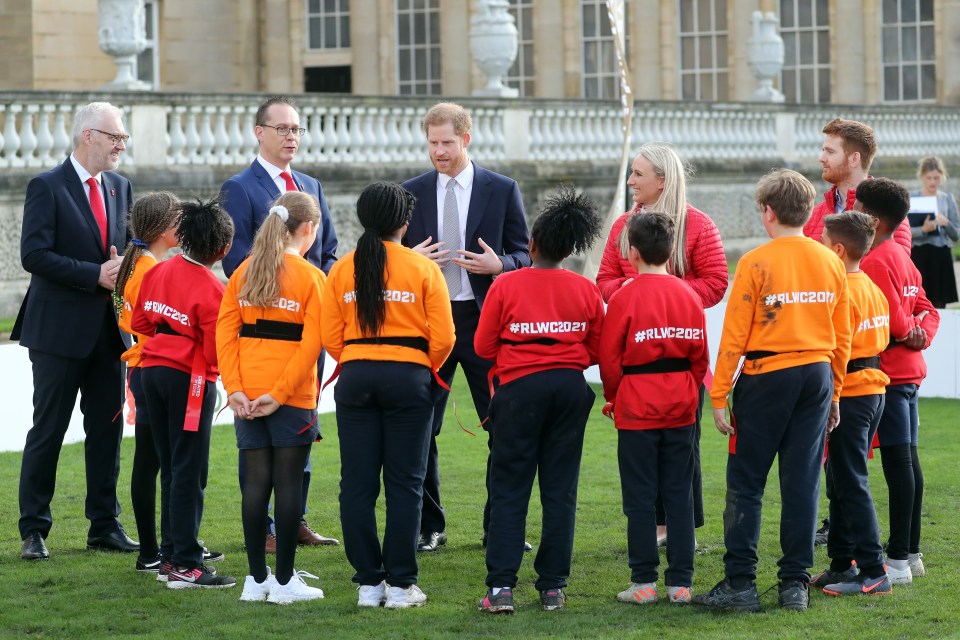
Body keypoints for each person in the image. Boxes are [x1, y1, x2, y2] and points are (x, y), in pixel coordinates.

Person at [694, 169, 851, 613]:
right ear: (806, 212)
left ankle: (740, 583)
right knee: (803, 482)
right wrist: (835, 393)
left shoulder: (755, 262)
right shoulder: (830, 261)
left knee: (746, 483)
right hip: (817, 375)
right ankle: (794, 585)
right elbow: (843, 337)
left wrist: (720, 395)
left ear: (767, 211)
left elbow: (734, 337)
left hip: (767, 376)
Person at [401, 102, 531, 552]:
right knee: (420, 428)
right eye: (433, 143)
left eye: (447, 143)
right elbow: (390, 256)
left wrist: (501, 265)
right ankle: (428, 527)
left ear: (466, 139)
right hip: (427, 320)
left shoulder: (501, 188)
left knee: (502, 422)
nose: (439, 151)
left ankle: (499, 524)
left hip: (484, 320)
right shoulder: (410, 191)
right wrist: (411, 259)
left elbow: (524, 254)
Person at [321, 182, 455, 608]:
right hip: (409, 378)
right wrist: (419, 366)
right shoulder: (422, 268)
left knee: (356, 485)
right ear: (405, 222)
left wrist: (361, 358)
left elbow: (330, 337)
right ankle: (400, 585)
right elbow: (445, 337)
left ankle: (368, 584)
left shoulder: (343, 268)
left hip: (356, 377)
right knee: (406, 484)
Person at [14, 101, 138, 560]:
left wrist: (126, 265)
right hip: (58, 333)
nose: (121, 144)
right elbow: (34, 255)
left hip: (109, 334)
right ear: (89, 136)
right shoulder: (46, 186)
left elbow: (127, 250)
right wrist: (95, 274)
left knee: (106, 433)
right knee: (48, 430)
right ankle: (34, 530)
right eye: (114, 137)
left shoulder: (121, 187)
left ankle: (104, 526)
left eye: (122, 137)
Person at [475, 186, 604, 614]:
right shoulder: (586, 290)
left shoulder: (507, 284)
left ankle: (501, 589)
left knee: (510, 488)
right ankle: (552, 587)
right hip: (568, 390)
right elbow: (599, 350)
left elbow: (482, 346)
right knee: (560, 490)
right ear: (569, 249)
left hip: (519, 392)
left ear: (530, 245)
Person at [220, 95, 339, 550]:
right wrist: (285, 291)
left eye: (297, 129)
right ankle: (266, 528)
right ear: (260, 132)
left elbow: (327, 249)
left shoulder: (311, 183)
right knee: (257, 436)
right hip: (264, 329)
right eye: (283, 129)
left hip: (310, 320)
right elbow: (236, 262)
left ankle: (296, 520)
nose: (292, 137)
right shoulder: (240, 187)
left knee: (301, 421)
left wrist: (314, 292)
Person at [596, 143, 727, 546]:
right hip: (636, 358)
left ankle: (678, 527)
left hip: (677, 353)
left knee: (684, 446)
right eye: (632, 173)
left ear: (662, 180)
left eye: (638, 174)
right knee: (640, 449)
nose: (631, 181)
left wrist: (664, 290)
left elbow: (716, 282)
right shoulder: (622, 226)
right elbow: (603, 282)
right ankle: (651, 529)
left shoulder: (699, 224)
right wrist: (637, 288)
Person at [218, 191, 327, 604]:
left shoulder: (243, 271)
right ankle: (283, 583)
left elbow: (225, 337)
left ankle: (255, 580)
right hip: (289, 397)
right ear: (308, 229)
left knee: (256, 485)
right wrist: (278, 395)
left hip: (247, 395)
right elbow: (311, 347)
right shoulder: (313, 277)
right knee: (287, 486)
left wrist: (236, 390)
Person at [600, 211, 709, 607]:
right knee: (679, 493)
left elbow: (609, 358)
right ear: (671, 252)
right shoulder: (689, 295)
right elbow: (700, 356)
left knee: (640, 496)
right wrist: (686, 388)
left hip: (637, 407)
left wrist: (615, 396)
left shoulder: (625, 296)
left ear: (631, 252)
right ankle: (681, 584)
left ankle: (643, 581)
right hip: (681, 404)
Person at [131, 198, 237, 589]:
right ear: (223, 249)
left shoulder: (159, 270)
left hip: (152, 371)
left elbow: (141, 320)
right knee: (188, 470)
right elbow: (214, 352)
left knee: (172, 466)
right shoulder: (213, 287)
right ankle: (187, 565)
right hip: (188, 378)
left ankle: (172, 557)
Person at [856, 178, 940, 585]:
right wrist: (921, 334)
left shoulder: (876, 260)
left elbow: (895, 319)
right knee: (908, 459)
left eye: (856, 207)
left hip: (888, 373)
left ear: (871, 219)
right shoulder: (902, 256)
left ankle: (899, 559)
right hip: (909, 372)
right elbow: (928, 310)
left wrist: (910, 331)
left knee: (898, 462)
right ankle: (912, 552)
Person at [810, 211, 892, 597]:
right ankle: (842, 563)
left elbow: (840, 350)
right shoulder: (870, 286)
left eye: (823, 242)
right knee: (840, 480)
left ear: (838, 250)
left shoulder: (844, 289)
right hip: (873, 391)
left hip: (854, 394)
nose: (819, 248)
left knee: (851, 481)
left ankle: (874, 570)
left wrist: (834, 398)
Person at [114, 192, 183, 573]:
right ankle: (164, 549)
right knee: (161, 462)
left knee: (151, 460)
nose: (182, 226)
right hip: (156, 367)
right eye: (177, 219)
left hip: (144, 368)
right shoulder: (148, 270)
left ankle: (160, 548)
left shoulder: (138, 262)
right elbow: (155, 323)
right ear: (161, 228)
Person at [804, 118, 912, 251]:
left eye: (830, 152)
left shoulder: (888, 212)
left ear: (854, 159)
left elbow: (893, 266)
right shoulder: (814, 215)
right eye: (823, 150)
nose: (821, 158)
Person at [909, 156, 959, 308]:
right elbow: (904, 231)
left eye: (936, 178)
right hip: (919, 256)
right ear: (922, 177)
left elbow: (956, 235)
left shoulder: (947, 199)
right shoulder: (912, 198)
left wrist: (947, 224)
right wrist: (923, 230)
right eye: (929, 177)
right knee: (918, 304)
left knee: (939, 305)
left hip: (941, 256)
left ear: (942, 177)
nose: (932, 182)